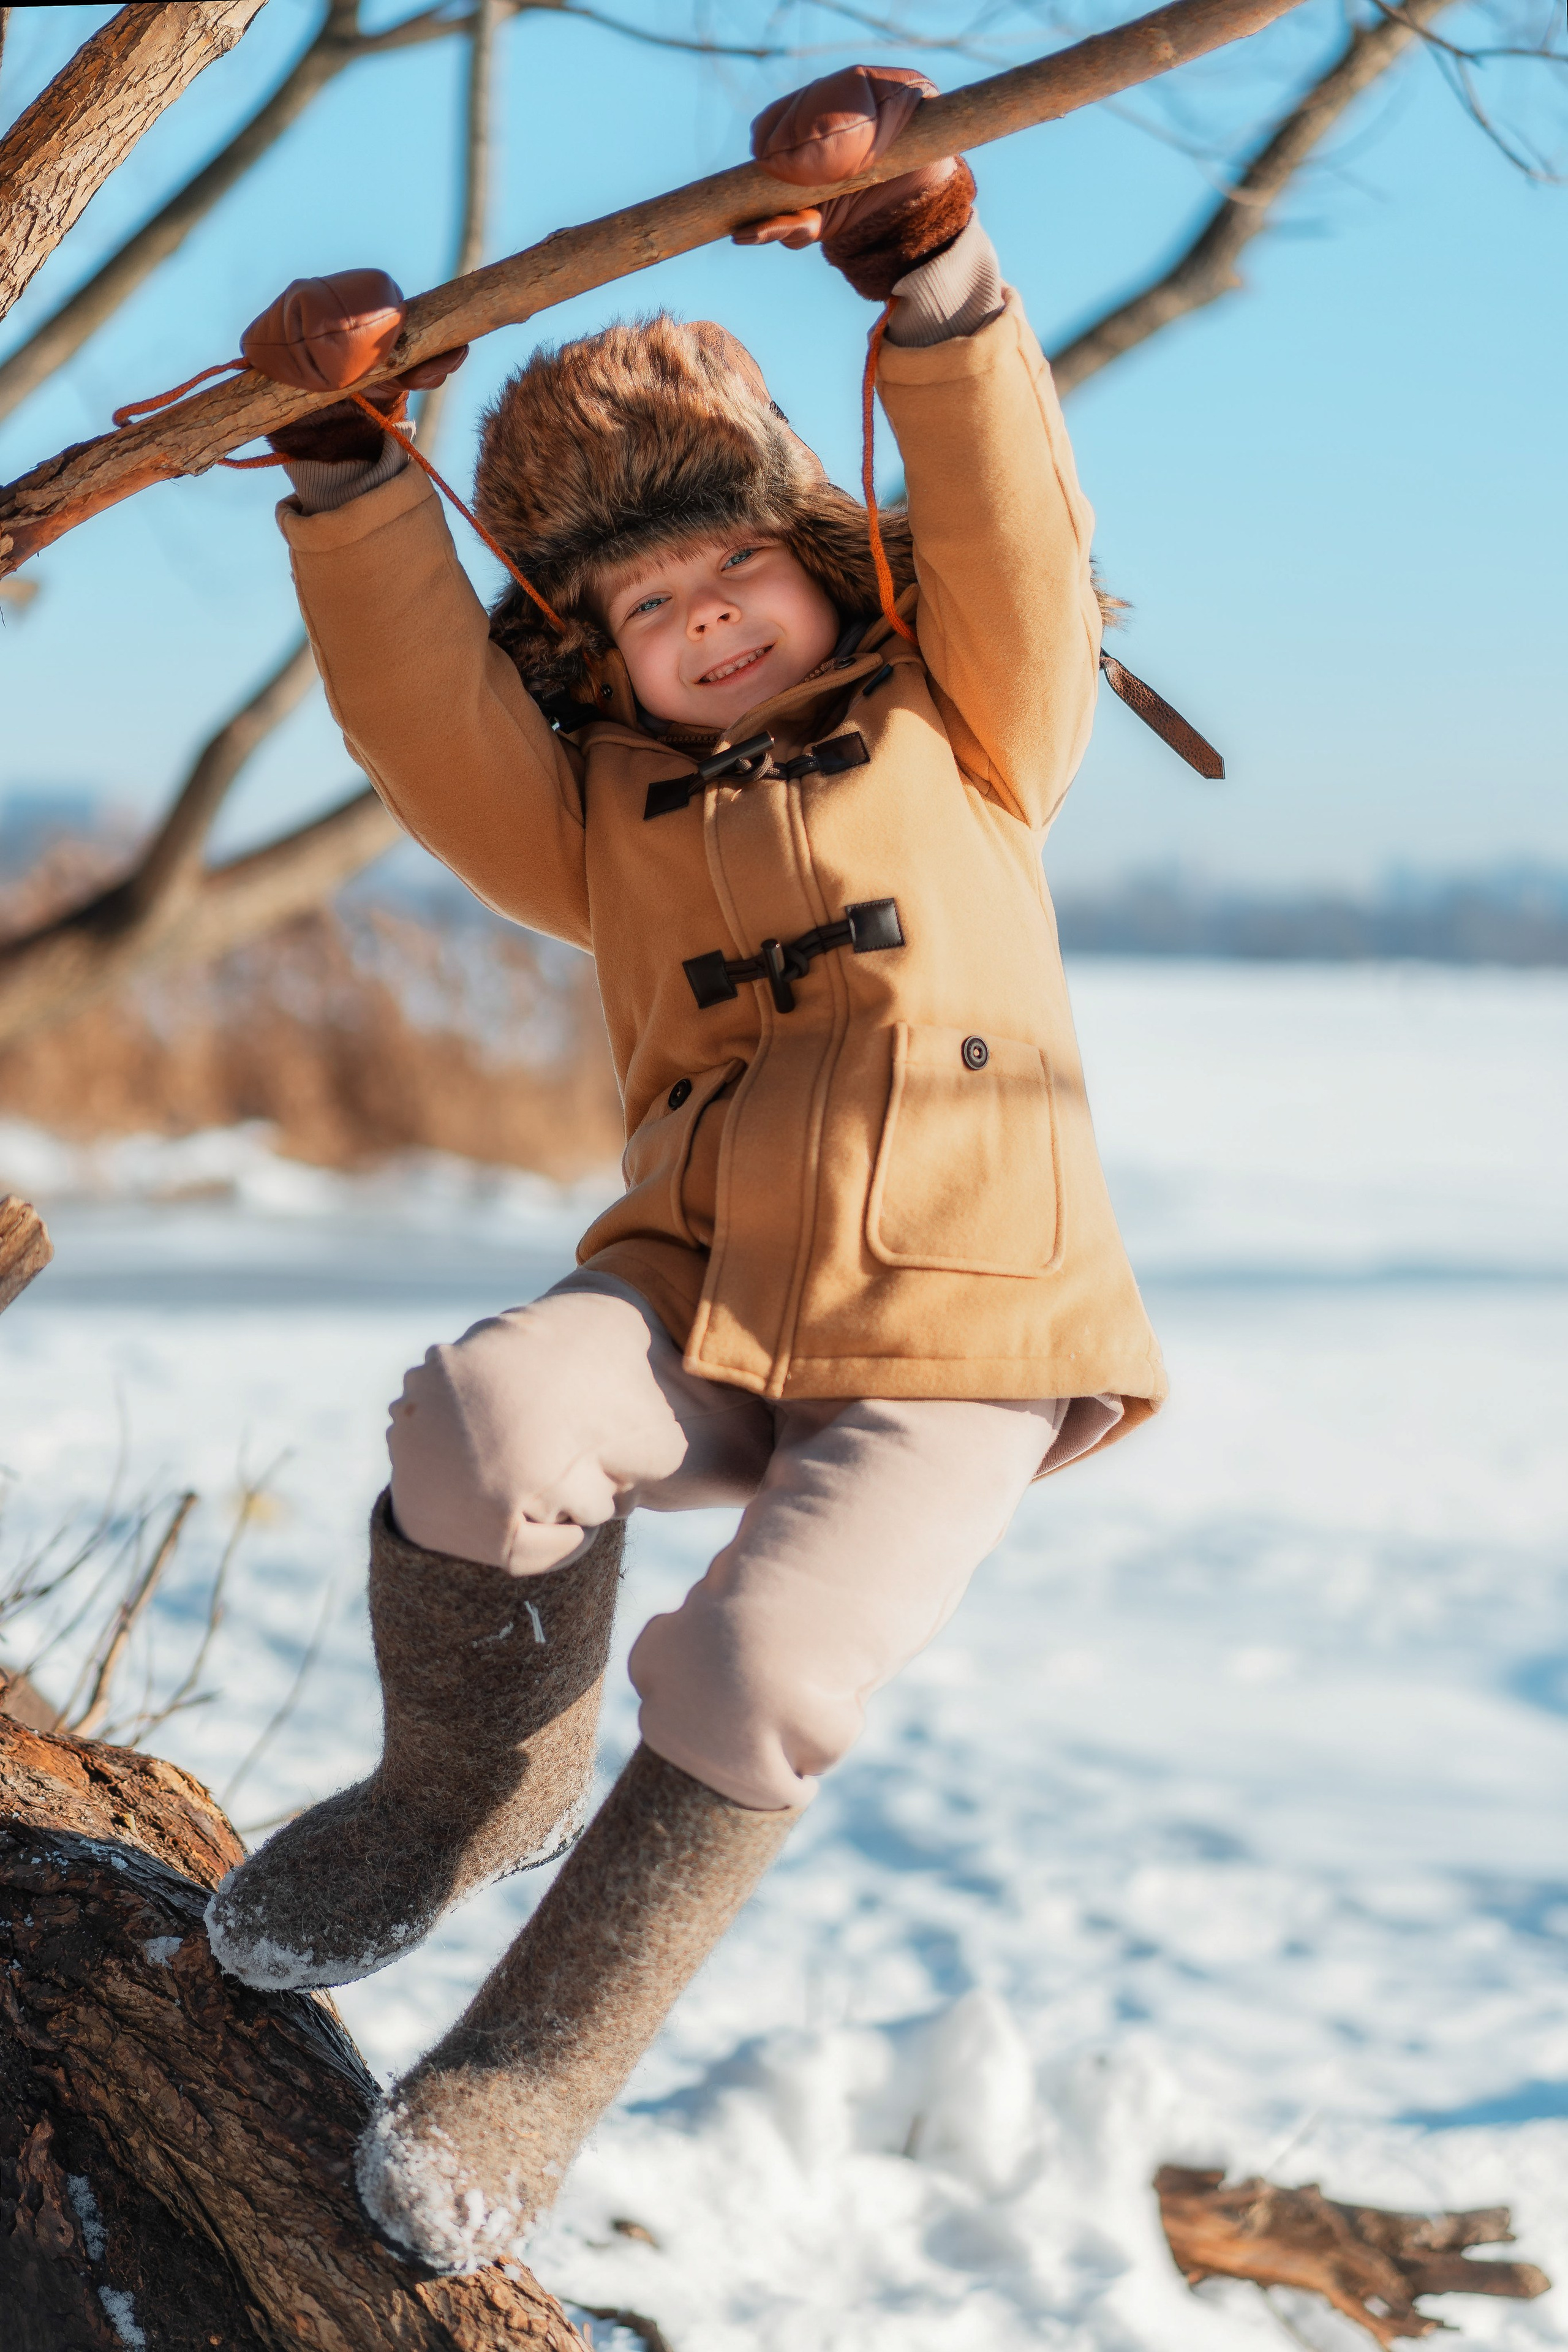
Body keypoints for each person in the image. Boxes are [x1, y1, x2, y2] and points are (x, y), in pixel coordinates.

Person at [204, 64, 1167, 2273]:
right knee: (480, 1418)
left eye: (739, 568)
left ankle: (530, 2072)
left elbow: (1016, 526)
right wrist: (353, 464)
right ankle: (473, 1782)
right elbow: (426, 709)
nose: (709, 619)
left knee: (754, 1682)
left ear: (818, 564)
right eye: (649, 609)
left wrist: (926, 264)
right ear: (597, 649)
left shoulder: (978, 720)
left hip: (965, 1319)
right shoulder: (593, 817)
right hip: (696, 1286)